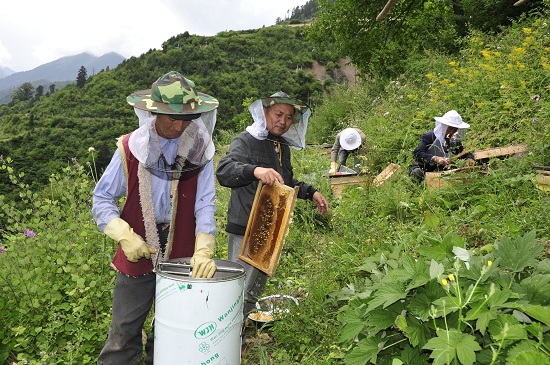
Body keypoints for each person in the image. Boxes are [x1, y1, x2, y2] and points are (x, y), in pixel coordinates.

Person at [92, 71, 219, 365]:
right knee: (123, 331)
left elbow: (204, 204)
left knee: (172, 330)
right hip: (138, 245)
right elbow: (101, 199)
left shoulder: (200, 150)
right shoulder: (129, 148)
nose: (179, 125)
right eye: (171, 118)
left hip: (182, 248)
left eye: (186, 118)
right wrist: (124, 235)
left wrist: (203, 250)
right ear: (153, 112)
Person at [215, 91, 329, 345]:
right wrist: (254, 170)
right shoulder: (245, 141)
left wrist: (311, 192)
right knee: (236, 289)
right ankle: (223, 343)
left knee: (255, 287)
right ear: (263, 112)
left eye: (289, 117)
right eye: (279, 114)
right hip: (245, 226)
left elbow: (285, 182)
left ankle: (239, 338)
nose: (284, 121)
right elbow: (224, 171)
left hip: (270, 228)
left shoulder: (280, 146)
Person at [408, 110, 475, 182]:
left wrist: (469, 159)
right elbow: (417, 153)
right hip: (422, 167)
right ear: (444, 126)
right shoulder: (430, 136)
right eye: (450, 128)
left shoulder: (453, 139)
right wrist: (435, 158)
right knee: (417, 173)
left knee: (455, 169)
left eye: (455, 129)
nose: (452, 132)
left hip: (440, 169)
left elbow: (463, 153)